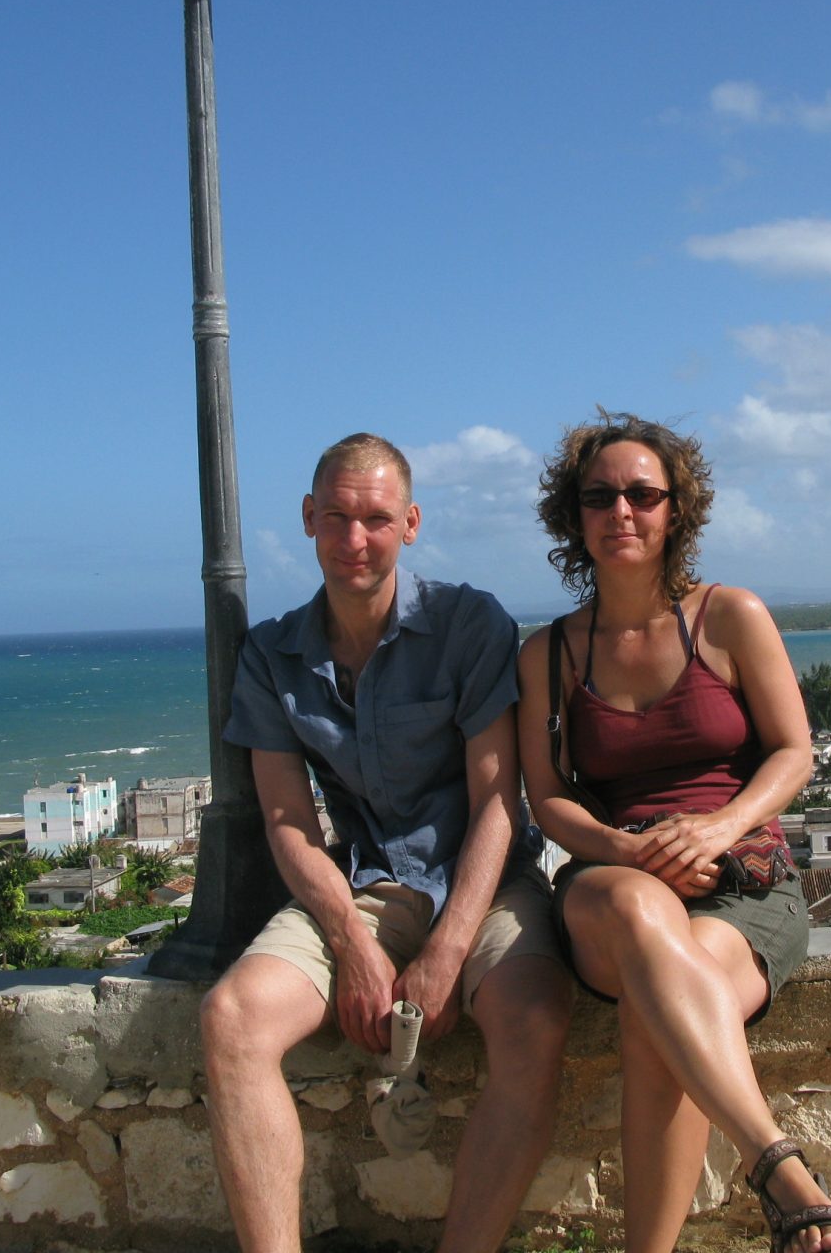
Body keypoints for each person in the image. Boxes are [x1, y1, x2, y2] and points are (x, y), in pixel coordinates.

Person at [201, 432, 572, 1253]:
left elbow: (497, 802)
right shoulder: (273, 656)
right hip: (363, 885)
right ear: (308, 518)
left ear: (410, 524)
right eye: (337, 517)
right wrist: (351, 942)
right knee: (232, 1020)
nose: (356, 538)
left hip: (484, 881)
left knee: (535, 1021)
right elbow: (288, 822)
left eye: (375, 518)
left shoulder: (466, 625)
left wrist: (448, 952)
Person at [517, 412, 831, 1253]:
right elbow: (548, 797)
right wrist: (628, 850)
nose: (621, 512)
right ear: (574, 514)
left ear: (676, 510)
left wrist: (716, 828)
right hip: (612, 882)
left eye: (643, 495)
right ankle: (778, 1168)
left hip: (740, 882)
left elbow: (793, 752)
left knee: (659, 1011)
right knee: (641, 915)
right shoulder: (549, 655)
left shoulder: (729, 616)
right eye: (599, 497)